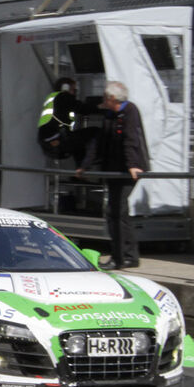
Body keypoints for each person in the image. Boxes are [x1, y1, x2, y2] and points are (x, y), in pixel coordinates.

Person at [77, 81, 150, 270]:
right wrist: (86, 165)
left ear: (112, 99)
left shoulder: (129, 112)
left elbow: (130, 138)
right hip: (113, 168)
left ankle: (122, 257)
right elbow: (100, 142)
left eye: (105, 97)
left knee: (117, 211)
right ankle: (126, 255)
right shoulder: (109, 114)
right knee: (117, 212)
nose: (103, 100)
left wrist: (133, 165)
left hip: (127, 170)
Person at [37, 77, 96, 166]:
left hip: (48, 142)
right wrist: (101, 106)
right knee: (94, 132)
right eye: (74, 89)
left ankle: (80, 172)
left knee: (78, 141)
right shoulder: (63, 96)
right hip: (57, 140)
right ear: (65, 87)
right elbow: (83, 108)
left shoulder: (54, 98)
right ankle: (82, 170)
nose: (75, 92)